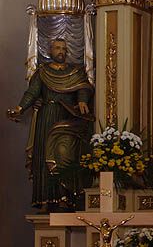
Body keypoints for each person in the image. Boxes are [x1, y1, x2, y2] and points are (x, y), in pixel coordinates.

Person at [7, 39, 94, 211]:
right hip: (47, 117)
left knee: (65, 154)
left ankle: (66, 198)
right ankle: (46, 199)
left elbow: (83, 87)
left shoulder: (75, 71)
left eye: (63, 48)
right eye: (57, 48)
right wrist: (20, 108)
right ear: (50, 51)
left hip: (67, 117)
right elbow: (32, 93)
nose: (61, 51)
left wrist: (83, 100)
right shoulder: (43, 72)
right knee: (44, 156)